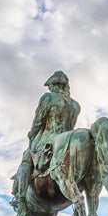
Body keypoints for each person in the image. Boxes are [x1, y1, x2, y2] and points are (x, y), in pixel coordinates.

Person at [10, 70, 81, 207]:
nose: (50, 89)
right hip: (67, 142)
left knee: (26, 159)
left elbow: (38, 121)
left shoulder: (48, 98)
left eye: (51, 86)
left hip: (49, 139)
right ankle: (77, 204)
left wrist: (32, 135)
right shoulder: (76, 106)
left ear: (54, 85)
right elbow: (71, 125)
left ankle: (19, 196)